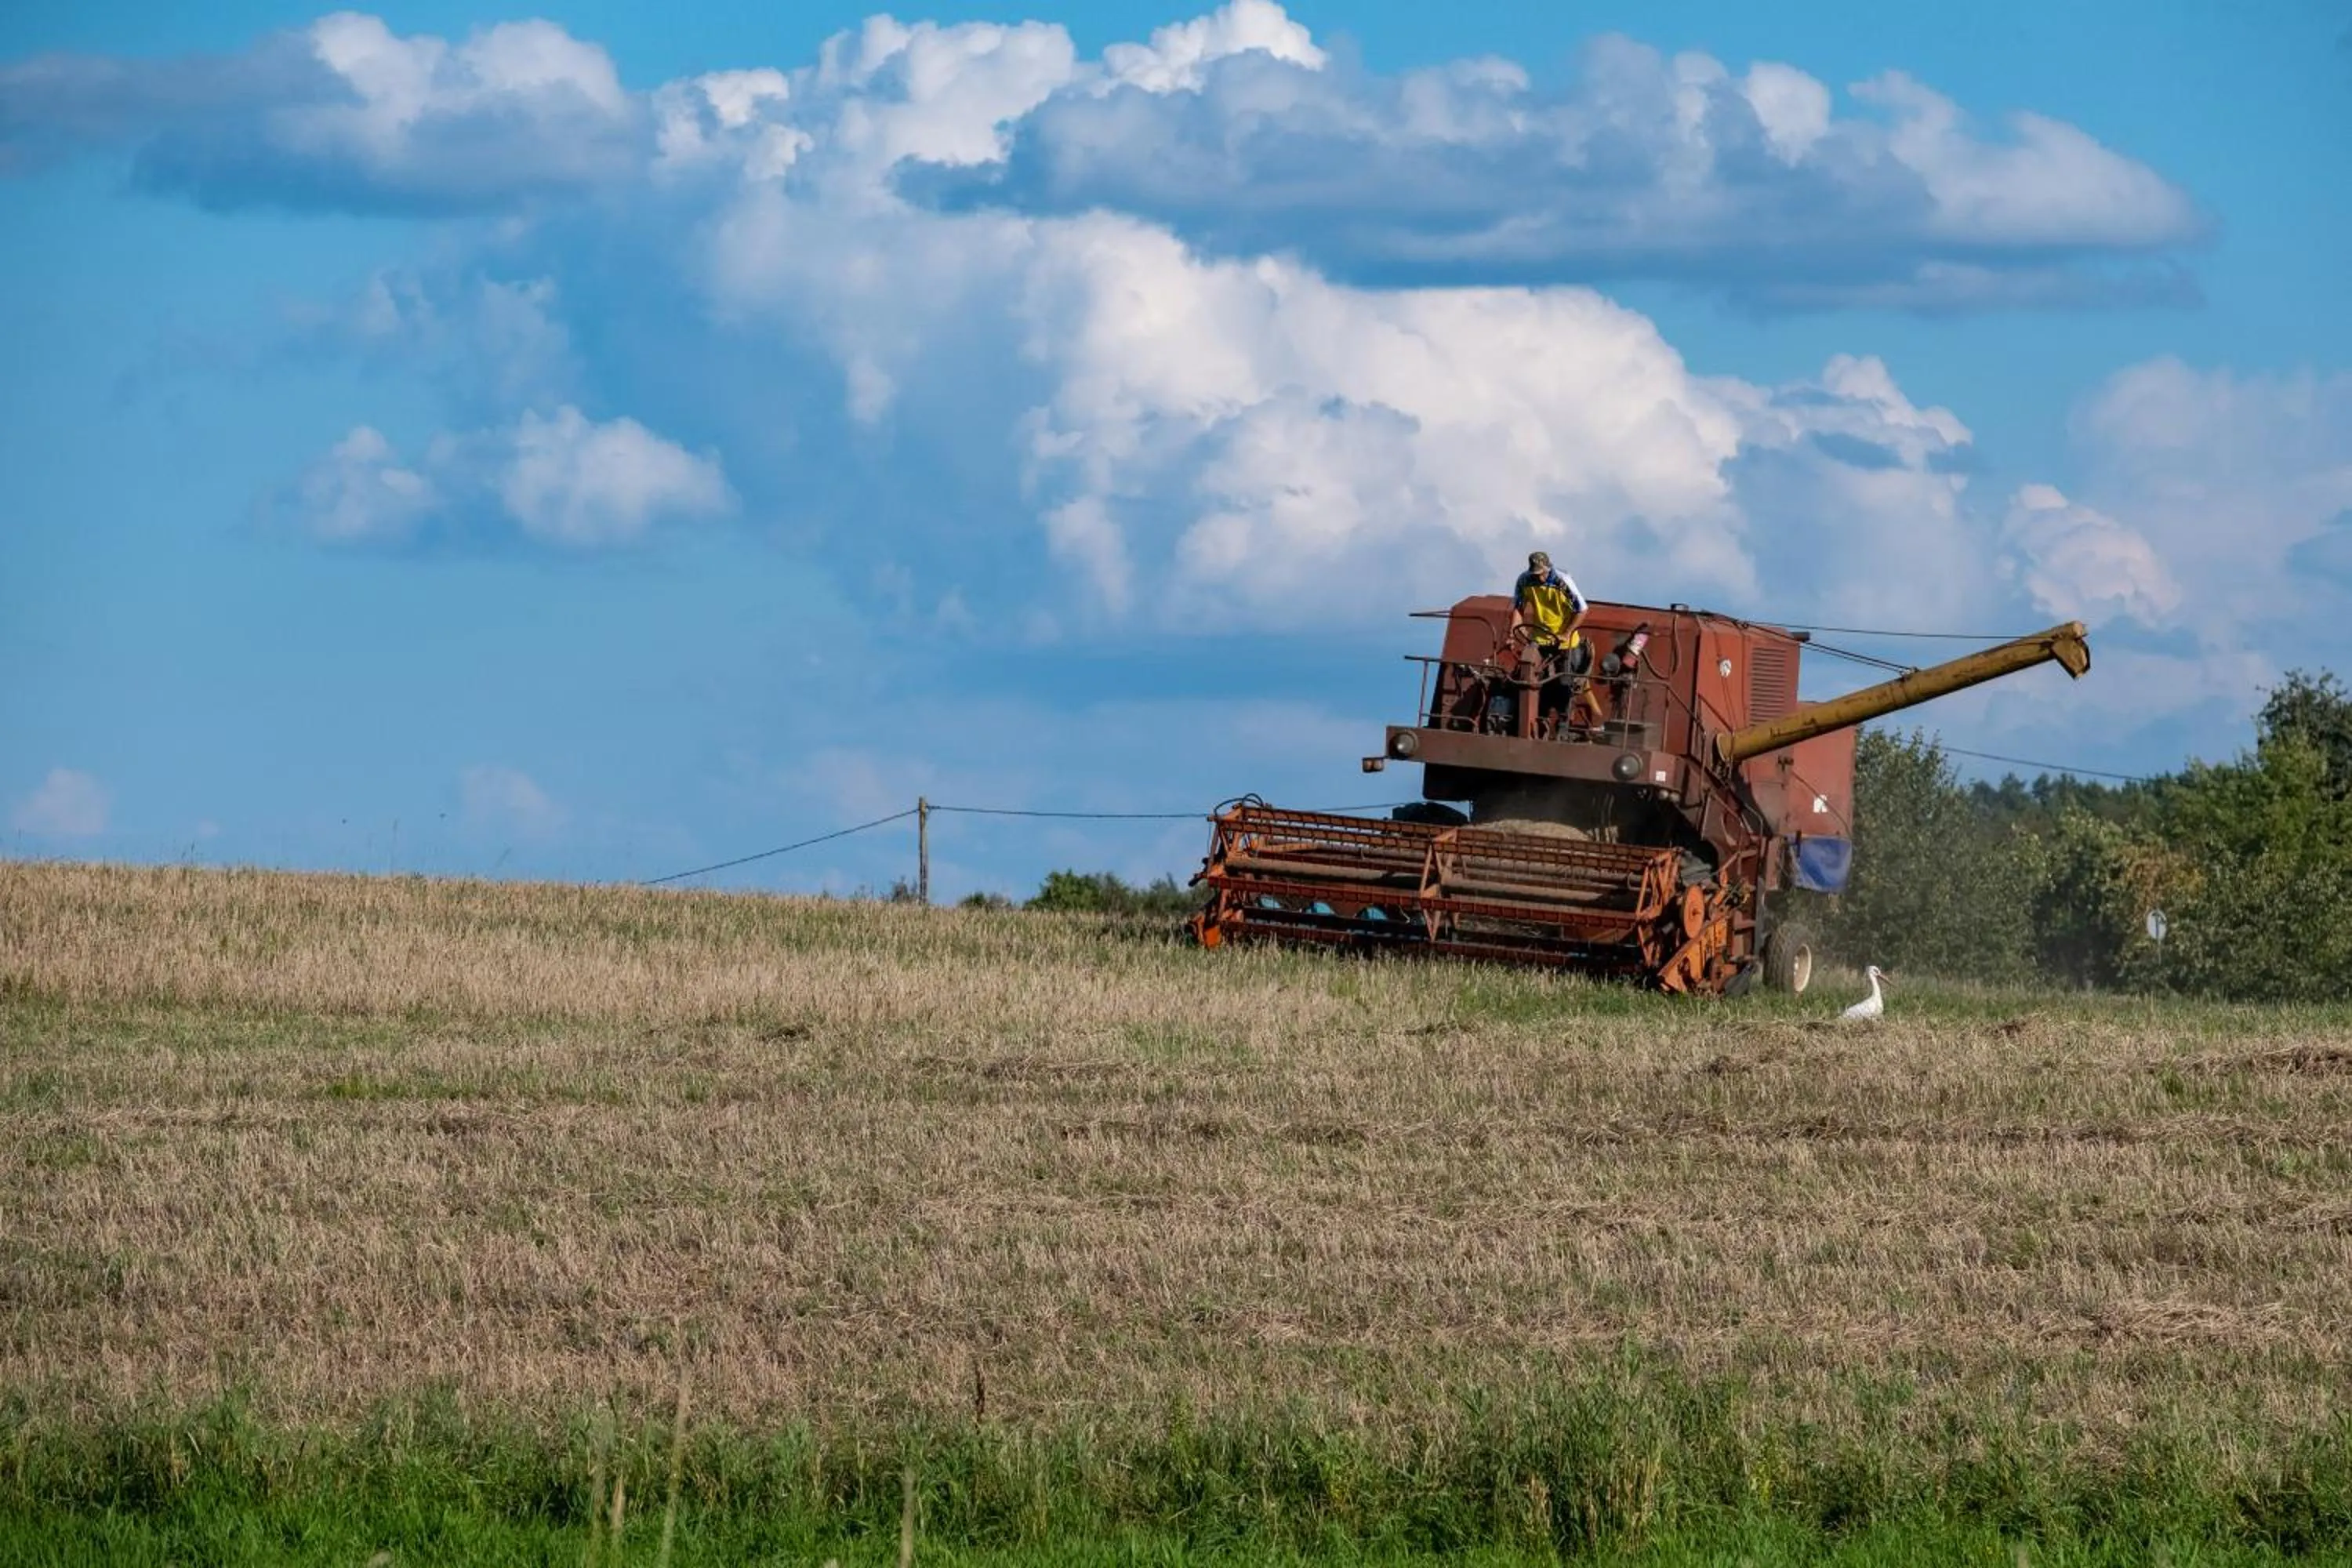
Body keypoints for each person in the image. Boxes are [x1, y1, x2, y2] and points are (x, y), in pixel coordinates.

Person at [1512, 550, 1587, 657]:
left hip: (1564, 644)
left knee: (1565, 673)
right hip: (1538, 641)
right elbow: (1518, 608)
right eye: (1535, 574)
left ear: (1548, 568)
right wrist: (1516, 629)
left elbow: (1582, 610)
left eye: (1542, 574)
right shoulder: (1524, 581)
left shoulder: (1563, 580)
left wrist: (1567, 634)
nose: (1539, 578)